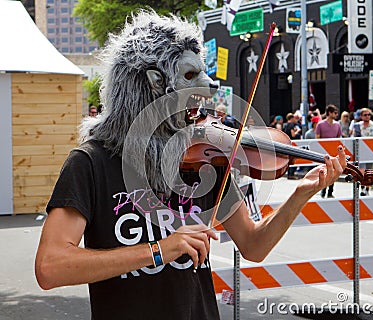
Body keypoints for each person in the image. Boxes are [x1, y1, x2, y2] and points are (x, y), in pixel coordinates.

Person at [35, 11, 346, 320]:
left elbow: (254, 245)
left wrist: (301, 194)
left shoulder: (201, 159)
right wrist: (159, 250)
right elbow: (51, 267)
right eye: (189, 76)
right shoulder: (90, 163)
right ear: (154, 84)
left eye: (203, 73)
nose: (208, 85)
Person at [352, 108, 373, 196]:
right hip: (361, 152)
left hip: (371, 153)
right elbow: (353, 138)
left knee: (369, 172)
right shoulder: (357, 126)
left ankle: (367, 189)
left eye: (369, 115)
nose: (367, 116)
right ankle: (362, 188)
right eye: (365, 115)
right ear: (361, 116)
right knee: (362, 171)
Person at [315, 104, 342, 198]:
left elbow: (338, 138)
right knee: (325, 171)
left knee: (333, 172)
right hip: (323, 153)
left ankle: (330, 191)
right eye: (335, 113)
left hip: (333, 152)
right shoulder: (320, 124)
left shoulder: (337, 124)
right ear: (329, 113)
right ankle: (323, 189)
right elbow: (317, 138)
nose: (336, 115)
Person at [283, 112, 302, 179]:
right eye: (294, 118)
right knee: (294, 158)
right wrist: (298, 131)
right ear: (291, 118)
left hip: (287, 143)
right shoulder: (291, 125)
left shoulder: (285, 125)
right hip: (293, 144)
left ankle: (289, 174)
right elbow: (293, 135)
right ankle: (291, 174)